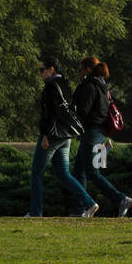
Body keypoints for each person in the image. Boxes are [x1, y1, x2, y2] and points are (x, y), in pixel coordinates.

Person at [26, 56, 98, 218]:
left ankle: (35, 212)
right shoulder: (65, 84)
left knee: (37, 173)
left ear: (52, 69)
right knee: (63, 173)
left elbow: (49, 113)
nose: (40, 73)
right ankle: (89, 202)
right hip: (66, 135)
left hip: (52, 135)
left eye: (42, 69)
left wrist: (45, 135)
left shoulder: (51, 87)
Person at [72, 57, 132, 218]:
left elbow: (83, 111)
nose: (79, 72)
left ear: (86, 70)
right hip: (100, 132)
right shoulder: (103, 86)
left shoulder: (90, 87)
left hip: (92, 132)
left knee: (92, 172)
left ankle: (121, 199)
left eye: (80, 69)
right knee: (79, 171)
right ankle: (80, 209)